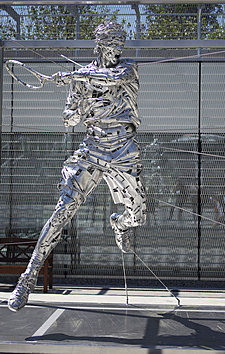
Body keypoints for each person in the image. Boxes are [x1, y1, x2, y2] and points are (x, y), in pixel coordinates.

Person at [8, 21, 147, 311]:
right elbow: (69, 119)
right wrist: (78, 94)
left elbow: (112, 78)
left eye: (120, 46)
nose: (116, 51)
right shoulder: (81, 79)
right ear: (99, 45)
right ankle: (27, 277)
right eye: (111, 46)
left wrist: (75, 75)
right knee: (63, 211)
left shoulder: (128, 68)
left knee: (138, 217)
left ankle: (118, 224)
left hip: (123, 149)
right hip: (93, 147)